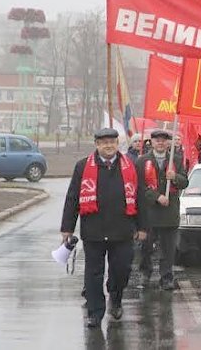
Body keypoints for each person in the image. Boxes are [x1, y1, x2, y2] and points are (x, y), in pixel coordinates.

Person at [60, 128, 147, 328]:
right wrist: (67, 228)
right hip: (94, 231)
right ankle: (95, 312)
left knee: (121, 270)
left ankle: (115, 299)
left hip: (123, 230)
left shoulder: (131, 166)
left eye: (112, 142)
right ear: (97, 145)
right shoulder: (83, 166)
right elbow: (72, 197)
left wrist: (142, 227)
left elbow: (140, 197)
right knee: (93, 273)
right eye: (104, 142)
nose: (109, 146)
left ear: (118, 144)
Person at [136, 129, 189, 291]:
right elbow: (139, 187)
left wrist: (175, 178)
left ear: (168, 143)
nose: (160, 143)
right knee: (146, 248)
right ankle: (146, 273)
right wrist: (157, 197)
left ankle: (166, 277)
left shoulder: (177, 160)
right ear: (151, 142)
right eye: (157, 140)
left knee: (168, 249)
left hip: (169, 214)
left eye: (163, 140)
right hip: (149, 213)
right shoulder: (141, 161)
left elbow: (185, 182)